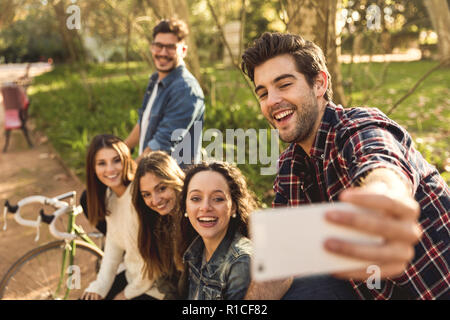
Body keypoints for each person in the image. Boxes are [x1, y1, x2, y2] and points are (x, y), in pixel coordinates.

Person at [240, 32, 449, 299]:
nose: (271, 101)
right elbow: (279, 261)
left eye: (284, 84)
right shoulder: (289, 166)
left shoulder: (356, 126)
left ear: (319, 83)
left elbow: (380, 162)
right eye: (263, 93)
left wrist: (385, 200)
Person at [81, 134, 167, 300]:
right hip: (134, 276)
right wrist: (100, 286)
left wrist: (126, 294)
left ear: (126, 160)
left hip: (157, 286)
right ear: (93, 168)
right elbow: (113, 247)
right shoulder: (110, 197)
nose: (110, 169)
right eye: (102, 163)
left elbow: (152, 262)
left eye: (116, 160)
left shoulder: (140, 196)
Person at [124, 18, 205, 167]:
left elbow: (161, 145)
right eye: (158, 46)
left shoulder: (186, 89)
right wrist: (122, 150)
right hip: (152, 173)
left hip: (174, 183)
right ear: (152, 47)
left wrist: (132, 174)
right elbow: (144, 122)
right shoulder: (156, 80)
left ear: (183, 51)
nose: (163, 53)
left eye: (170, 47)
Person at [177, 161, 259, 300]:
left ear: (233, 207)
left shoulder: (241, 261)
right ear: (185, 206)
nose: (205, 207)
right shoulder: (195, 249)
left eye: (217, 199)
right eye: (196, 198)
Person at [131, 151, 186, 299]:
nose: (155, 201)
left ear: (175, 181)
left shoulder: (197, 220)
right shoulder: (157, 224)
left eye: (161, 188)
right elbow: (166, 281)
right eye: (146, 194)